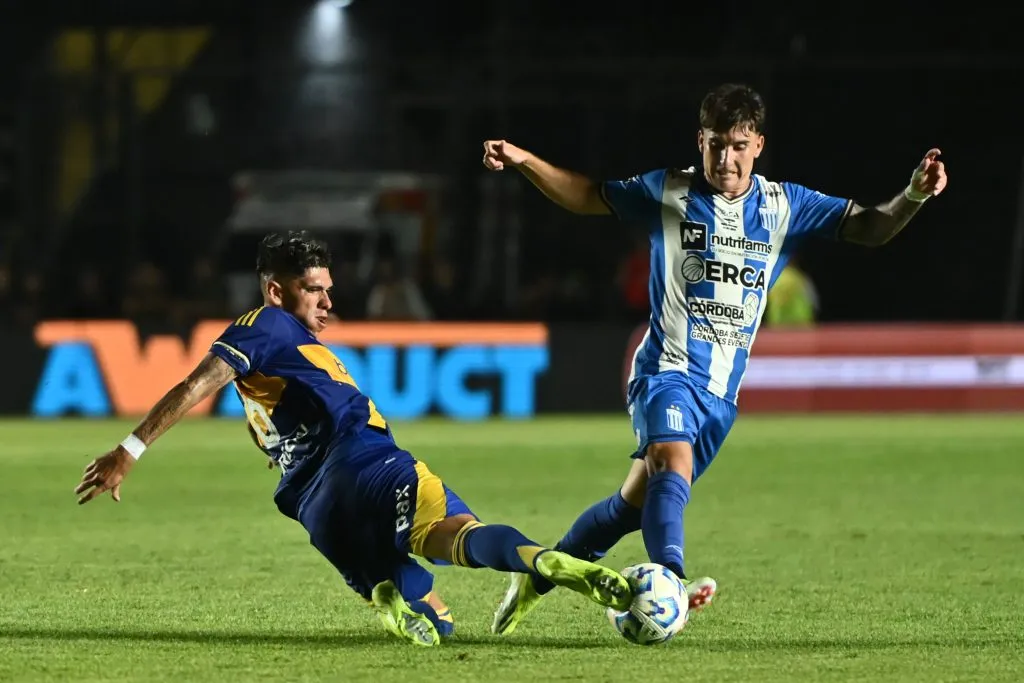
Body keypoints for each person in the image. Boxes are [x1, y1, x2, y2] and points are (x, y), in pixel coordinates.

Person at [481, 82, 947, 635]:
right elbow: (587, 195)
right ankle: (670, 580)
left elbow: (869, 227)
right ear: (699, 141)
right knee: (669, 465)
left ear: (758, 146)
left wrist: (912, 195)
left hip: (720, 395)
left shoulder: (784, 206)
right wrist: (525, 159)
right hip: (665, 371)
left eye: (738, 146)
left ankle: (536, 576)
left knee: (630, 506)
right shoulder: (667, 193)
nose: (725, 158)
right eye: (716, 144)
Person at [73, 231, 631, 647]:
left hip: (315, 506)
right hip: (367, 460)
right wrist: (130, 449)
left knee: (439, 620)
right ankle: (545, 562)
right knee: (459, 533)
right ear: (275, 290)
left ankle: (384, 593)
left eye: (327, 289)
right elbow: (198, 381)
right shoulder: (264, 325)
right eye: (312, 290)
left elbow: (268, 415)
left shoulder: (285, 349)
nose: (326, 301)